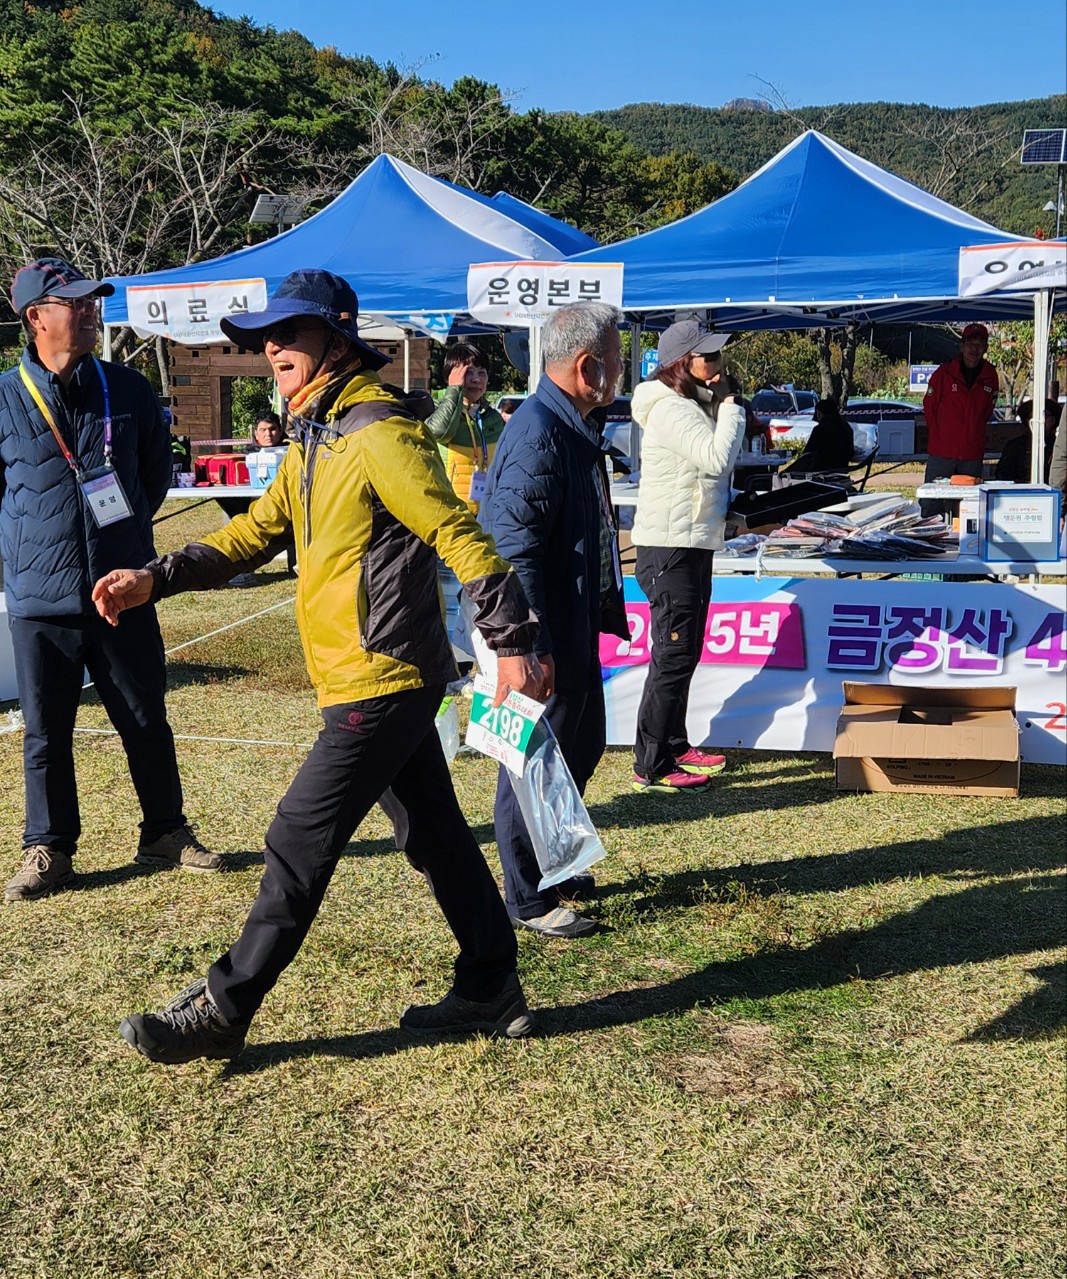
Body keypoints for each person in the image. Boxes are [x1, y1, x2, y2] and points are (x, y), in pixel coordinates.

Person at [93, 269, 547, 1064]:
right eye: (264, 338)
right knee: (435, 833)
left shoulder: (376, 431)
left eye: (288, 333)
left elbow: (453, 528)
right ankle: (489, 981)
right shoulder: (316, 436)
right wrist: (154, 577)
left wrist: (511, 637)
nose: (271, 349)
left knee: (297, 836)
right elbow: (251, 535)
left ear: (335, 341)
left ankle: (225, 1005)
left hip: (383, 675)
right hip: (364, 675)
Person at [0, 257, 219, 903]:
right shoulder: (5, 396)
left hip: (122, 587)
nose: (90, 310)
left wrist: (124, 549)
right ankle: (49, 848)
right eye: (75, 302)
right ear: (36, 317)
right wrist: (27, 552)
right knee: (46, 733)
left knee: (146, 717)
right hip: (40, 598)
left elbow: (152, 477)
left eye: (91, 300)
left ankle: (165, 831)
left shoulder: (127, 388)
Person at [478, 302, 629, 939]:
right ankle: (526, 897)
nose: (623, 372)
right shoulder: (539, 431)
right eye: (617, 361)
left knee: (581, 744)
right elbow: (512, 548)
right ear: (588, 367)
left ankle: (554, 865)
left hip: (570, 620)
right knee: (530, 760)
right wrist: (525, 643)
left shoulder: (571, 424)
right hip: (534, 632)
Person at [629, 320, 745, 793]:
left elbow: (705, 475)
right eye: (708, 356)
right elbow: (716, 459)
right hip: (670, 547)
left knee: (686, 651)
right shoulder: (670, 408)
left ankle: (675, 743)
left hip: (691, 540)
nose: (718, 364)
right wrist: (731, 406)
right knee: (673, 656)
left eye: (718, 354)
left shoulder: (690, 403)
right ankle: (651, 764)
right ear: (682, 363)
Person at [921, 323, 999, 515]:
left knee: (967, 509)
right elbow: (929, 407)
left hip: (971, 453)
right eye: (970, 344)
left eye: (979, 344)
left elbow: (987, 411)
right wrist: (940, 435)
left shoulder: (990, 376)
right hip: (942, 452)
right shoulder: (944, 373)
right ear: (962, 346)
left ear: (986, 348)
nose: (974, 349)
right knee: (932, 505)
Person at [424, 342, 506, 514]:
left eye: (482, 373)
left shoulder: (494, 418)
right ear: (450, 377)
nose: (476, 379)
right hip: (450, 513)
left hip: (487, 512)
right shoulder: (437, 410)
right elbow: (439, 432)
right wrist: (454, 389)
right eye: (468, 372)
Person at [994, 398, 1059, 484]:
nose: (1041, 421)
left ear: (1053, 420)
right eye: (1034, 416)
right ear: (1028, 421)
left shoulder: (1059, 445)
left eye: (1046, 416)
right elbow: (1002, 475)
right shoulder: (1016, 445)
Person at [785, 398, 856, 476]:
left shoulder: (820, 429)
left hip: (821, 473)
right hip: (841, 472)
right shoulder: (846, 428)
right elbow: (850, 452)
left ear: (819, 413)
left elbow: (807, 454)